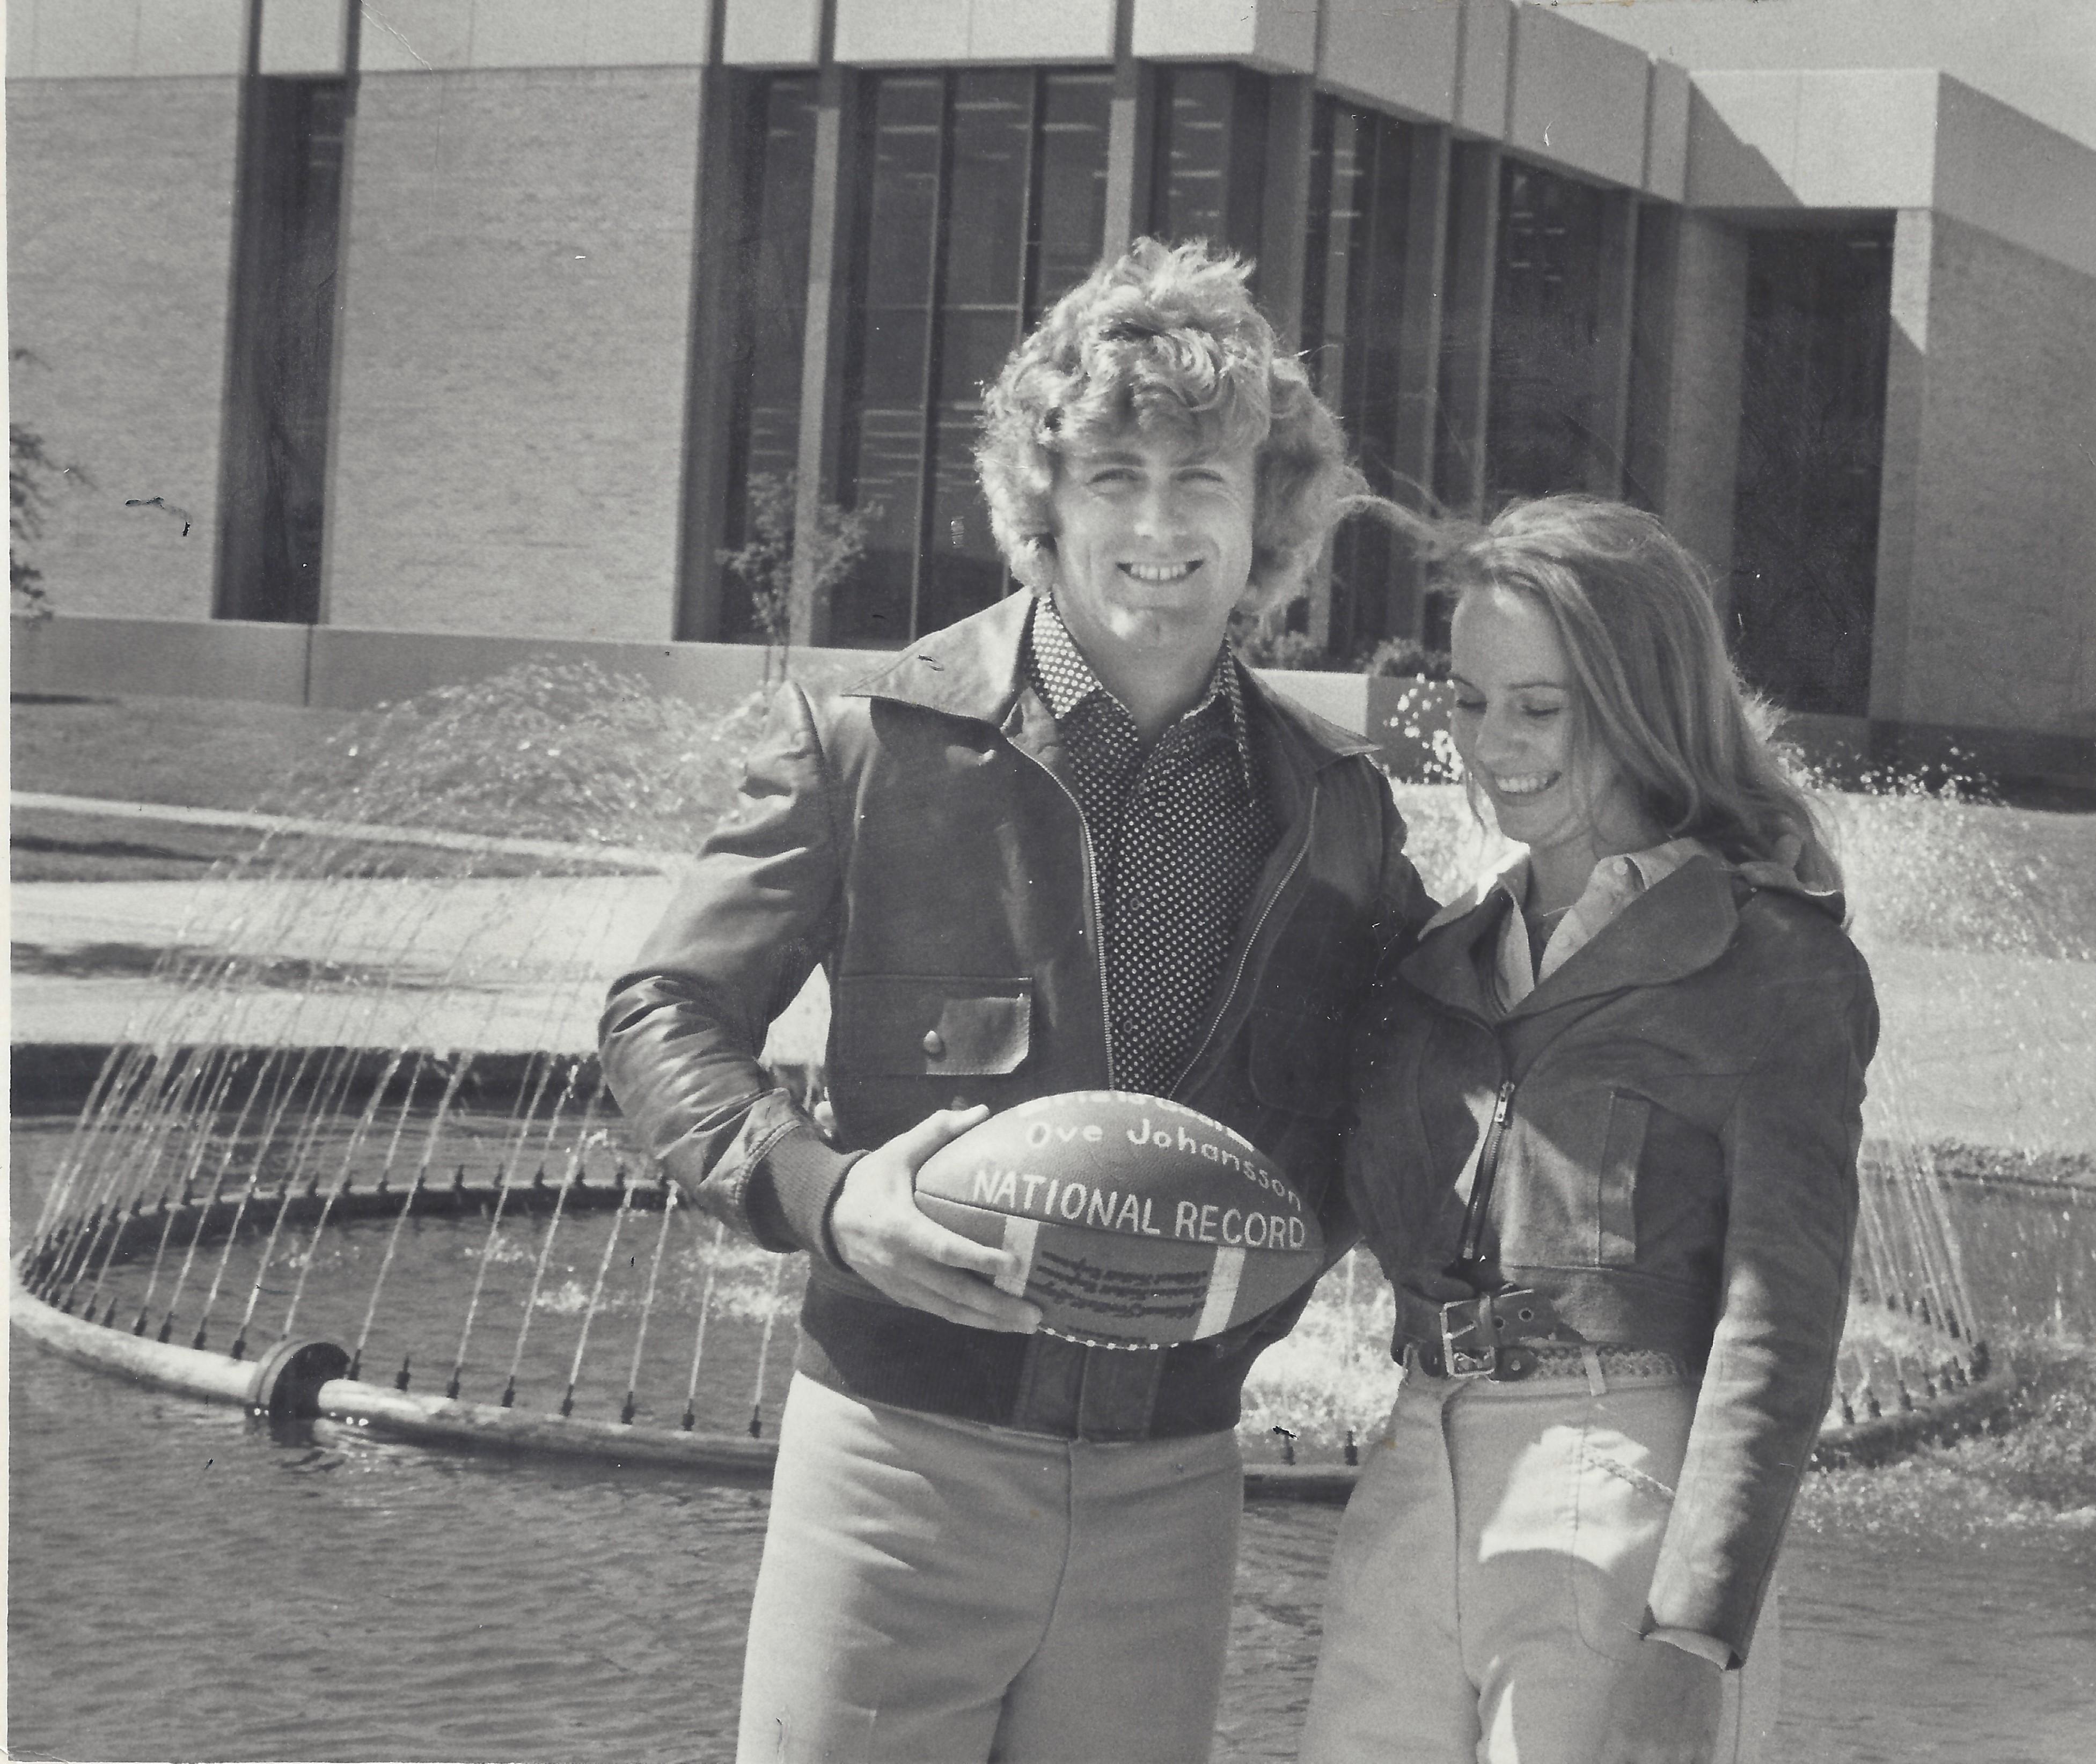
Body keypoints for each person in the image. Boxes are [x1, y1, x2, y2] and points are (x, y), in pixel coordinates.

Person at [600, 237, 1432, 1764]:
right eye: (1114, 477)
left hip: (1174, 1483)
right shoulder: (867, 742)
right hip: (895, 1461)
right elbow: (663, 1014)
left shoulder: (1336, 809)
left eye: (1201, 482)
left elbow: (1433, 1073)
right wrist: (824, 1194)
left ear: (1269, 514)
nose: (1157, 526)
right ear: (1042, 504)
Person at [1299, 496, 1879, 1764]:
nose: (1491, 743)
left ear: (1640, 704)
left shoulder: (1773, 964)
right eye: (1470, 700)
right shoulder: (1436, 962)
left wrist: (1695, 1633)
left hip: (1625, 1486)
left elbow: (1780, 1325)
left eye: (1539, 707)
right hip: (1412, 1473)